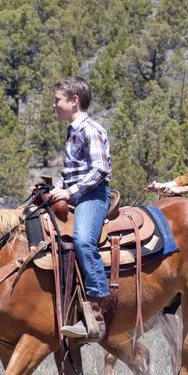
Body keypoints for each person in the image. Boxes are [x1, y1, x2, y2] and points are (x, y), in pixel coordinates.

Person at [43, 76, 111, 340]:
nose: (54, 105)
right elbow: (73, 173)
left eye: (58, 99)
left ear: (74, 100)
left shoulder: (90, 130)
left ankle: (95, 313)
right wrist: (54, 188)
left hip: (92, 196)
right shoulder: (73, 130)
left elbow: (99, 171)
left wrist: (68, 192)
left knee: (83, 241)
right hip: (77, 194)